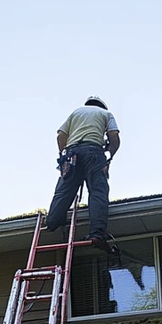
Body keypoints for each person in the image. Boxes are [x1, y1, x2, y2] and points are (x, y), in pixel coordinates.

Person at [45, 96, 121, 255]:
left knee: (64, 191)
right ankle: (98, 234)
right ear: (102, 106)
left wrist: (64, 154)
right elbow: (113, 136)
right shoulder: (105, 114)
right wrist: (110, 155)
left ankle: (52, 221)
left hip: (72, 153)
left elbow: (60, 135)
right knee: (97, 192)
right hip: (93, 152)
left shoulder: (76, 113)